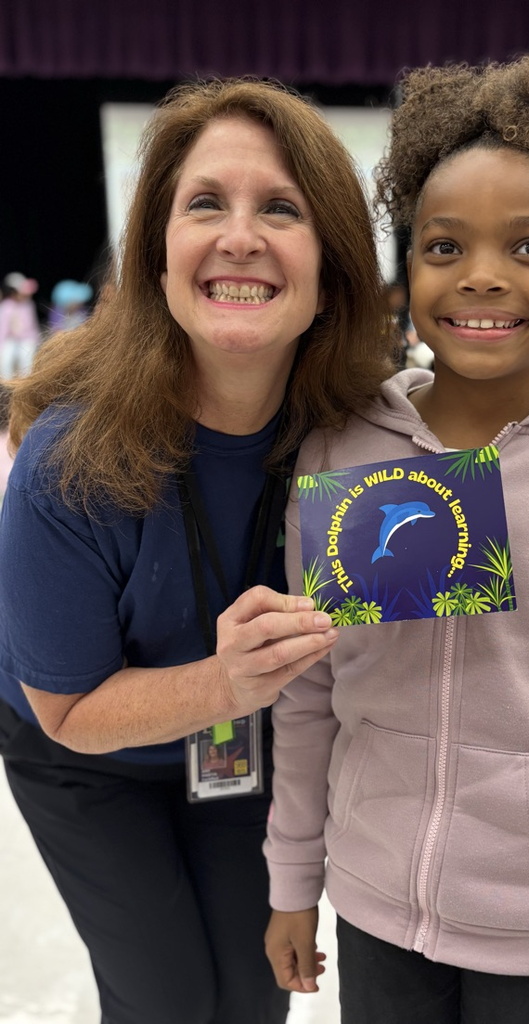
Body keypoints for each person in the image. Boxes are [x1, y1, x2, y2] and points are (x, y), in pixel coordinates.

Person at [263, 51, 529, 1024]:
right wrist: (293, 877)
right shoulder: (340, 447)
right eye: (445, 246)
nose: (484, 276)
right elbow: (311, 686)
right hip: (373, 904)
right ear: (409, 267)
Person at [0, 77, 394, 1024]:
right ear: (157, 257)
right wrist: (225, 682)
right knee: (167, 999)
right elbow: (68, 711)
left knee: (257, 991)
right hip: (85, 757)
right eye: (205, 203)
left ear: (332, 269)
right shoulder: (69, 459)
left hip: (240, 747)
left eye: (282, 209)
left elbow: (504, 548)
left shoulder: (367, 438)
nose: (240, 236)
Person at [0, 271, 41, 379]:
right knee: (6, 358)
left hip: (27, 339)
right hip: (10, 339)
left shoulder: (29, 304)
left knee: (27, 360)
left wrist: (37, 340)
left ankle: (25, 384)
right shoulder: (6, 306)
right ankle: (7, 384)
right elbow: (3, 328)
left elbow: (33, 325)